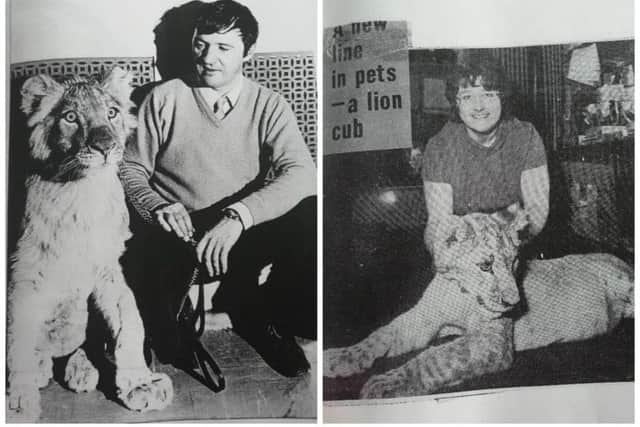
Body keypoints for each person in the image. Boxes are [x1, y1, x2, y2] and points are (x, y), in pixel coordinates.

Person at [120, 0, 317, 378]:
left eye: (224, 47)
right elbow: (129, 167)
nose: (209, 58)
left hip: (234, 234)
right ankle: (167, 329)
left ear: (249, 52)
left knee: (311, 213)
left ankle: (260, 313)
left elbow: (302, 173)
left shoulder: (269, 104)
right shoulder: (164, 97)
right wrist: (159, 206)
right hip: (174, 232)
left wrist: (238, 217)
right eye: (201, 44)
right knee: (165, 339)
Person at [422, 54, 550, 263]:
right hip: (464, 253)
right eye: (467, 97)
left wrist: (501, 247)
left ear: (502, 98)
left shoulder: (525, 136)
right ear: (456, 103)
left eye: (488, 94)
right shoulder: (439, 147)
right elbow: (439, 223)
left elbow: (536, 211)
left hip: (516, 246)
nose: (479, 106)